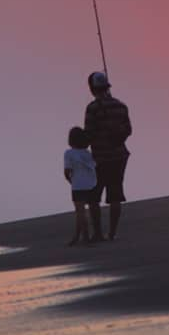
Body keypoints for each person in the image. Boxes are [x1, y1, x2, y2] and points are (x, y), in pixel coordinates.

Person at [84, 71, 132, 241]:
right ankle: (112, 233)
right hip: (119, 156)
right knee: (115, 195)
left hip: (100, 158)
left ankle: (97, 233)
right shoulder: (121, 106)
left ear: (92, 88)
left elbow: (88, 135)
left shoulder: (92, 108)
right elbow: (128, 130)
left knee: (93, 196)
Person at [63, 126, 97, 246]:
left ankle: (85, 237)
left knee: (80, 212)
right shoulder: (88, 153)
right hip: (92, 184)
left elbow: (67, 171)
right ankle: (77, 237)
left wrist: (71, 181)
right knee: (85, 211)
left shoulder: (69, 153)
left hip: (78, 185)